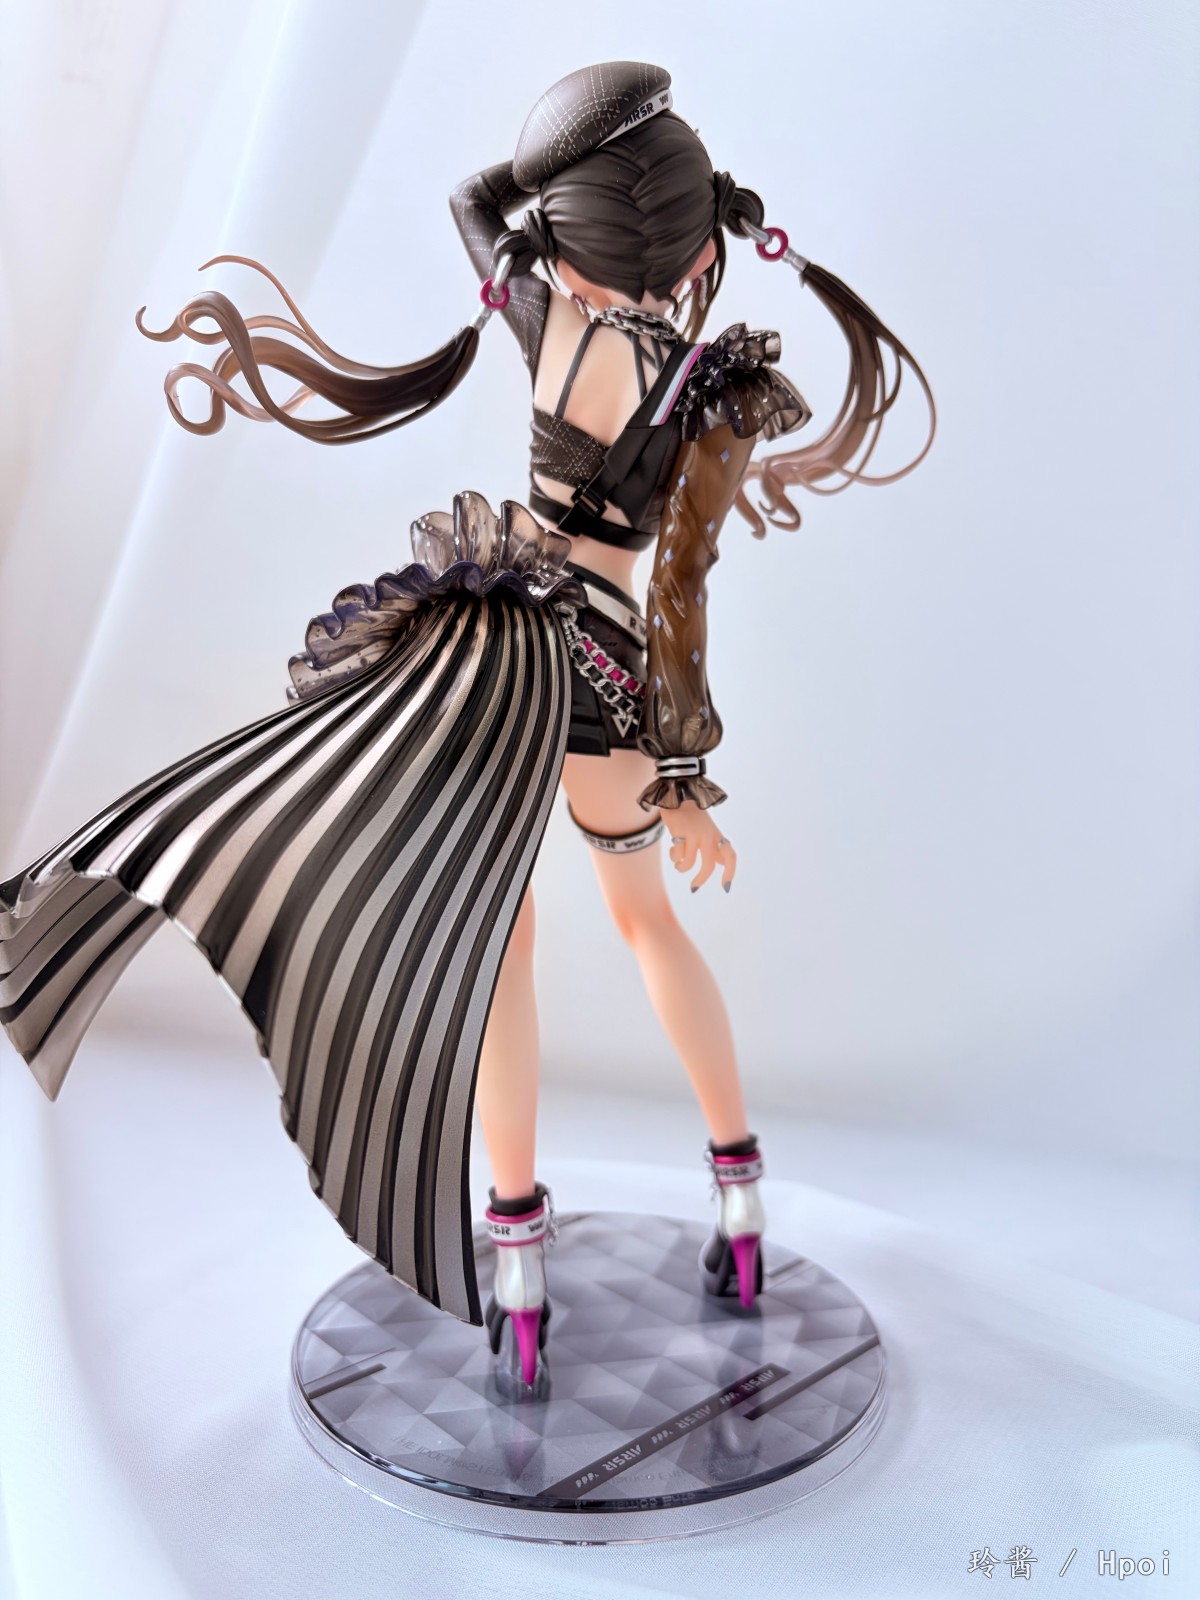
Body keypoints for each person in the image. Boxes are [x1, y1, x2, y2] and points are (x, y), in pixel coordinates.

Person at [0, 62, 932, 1387]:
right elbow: (680, 590)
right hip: (599, 672)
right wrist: (680, 770)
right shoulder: (705, 392)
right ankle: (738, 1202)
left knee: (494, 948)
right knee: (647, 926)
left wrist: (582, 173)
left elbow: (472, 197)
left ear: (571, 235)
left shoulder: (545, 311)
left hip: (489, 654)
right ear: (691, 249)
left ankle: (521, 1259)